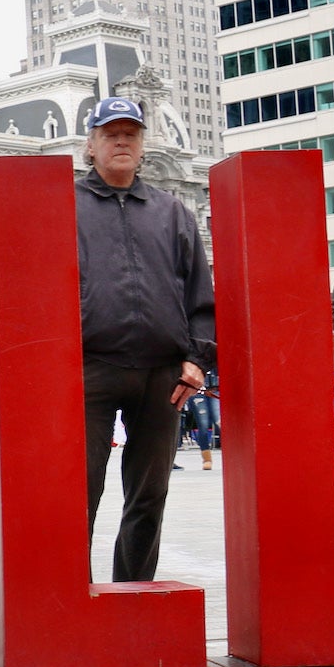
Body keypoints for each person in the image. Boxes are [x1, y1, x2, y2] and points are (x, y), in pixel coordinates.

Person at [75, 95, 216, 585]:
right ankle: (73, 598)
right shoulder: (62, 207)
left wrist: (197, 359)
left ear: (141, 145)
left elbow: (200, 291)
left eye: (130, 134)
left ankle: (133, 593)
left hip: (163, 372)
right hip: (89, 369)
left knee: (150, 493)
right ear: (89, 145)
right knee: (79, 493)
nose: (121, 141)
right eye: (110, 134)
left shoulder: (172, 212)